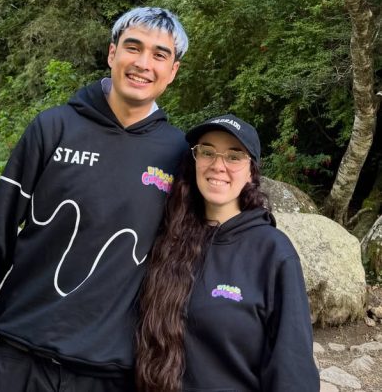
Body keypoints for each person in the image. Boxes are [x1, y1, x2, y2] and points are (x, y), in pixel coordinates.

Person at [0, 7, 190, 392]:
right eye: (133, 47)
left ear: (173, 70)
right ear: (112, 53)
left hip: (109, 375)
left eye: (159, 54)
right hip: (19, 360)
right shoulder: (54, 128)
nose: (143, 63)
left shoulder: (179, 154)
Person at [136, 114, 320, 392]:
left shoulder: (273, 252)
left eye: (234, 156)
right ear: (195, 160)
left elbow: (293, 368)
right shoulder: (169, 238)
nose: (218, 165)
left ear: (251, 172)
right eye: (207, 152)